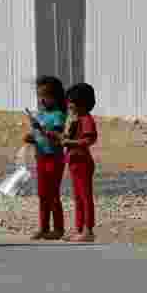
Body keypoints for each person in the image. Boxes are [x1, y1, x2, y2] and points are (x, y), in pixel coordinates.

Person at [24, 76, 69, 240]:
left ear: (55, 97)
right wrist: (32, 138)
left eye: (45, 96)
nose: (41, 100)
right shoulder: (41, 114)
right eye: (39, 96)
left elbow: (57, 136)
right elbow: (39, 135)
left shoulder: (58, 115)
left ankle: (58, 229)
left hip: (54, 158)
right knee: (43, 194)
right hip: (41, 157)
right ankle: (43, 227)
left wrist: (40, 130)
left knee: (53, 194)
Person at [61, 83, 99, 242]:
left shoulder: (86, 119)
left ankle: (88, 230)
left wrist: (71, 143)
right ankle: (79, 228)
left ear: (82, 103)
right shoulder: (76, 119)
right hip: (74, 162)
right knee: (77, 197)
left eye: (72, 102)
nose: (69, 105)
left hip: (82, 162)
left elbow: (90, 139)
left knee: (85, 197)